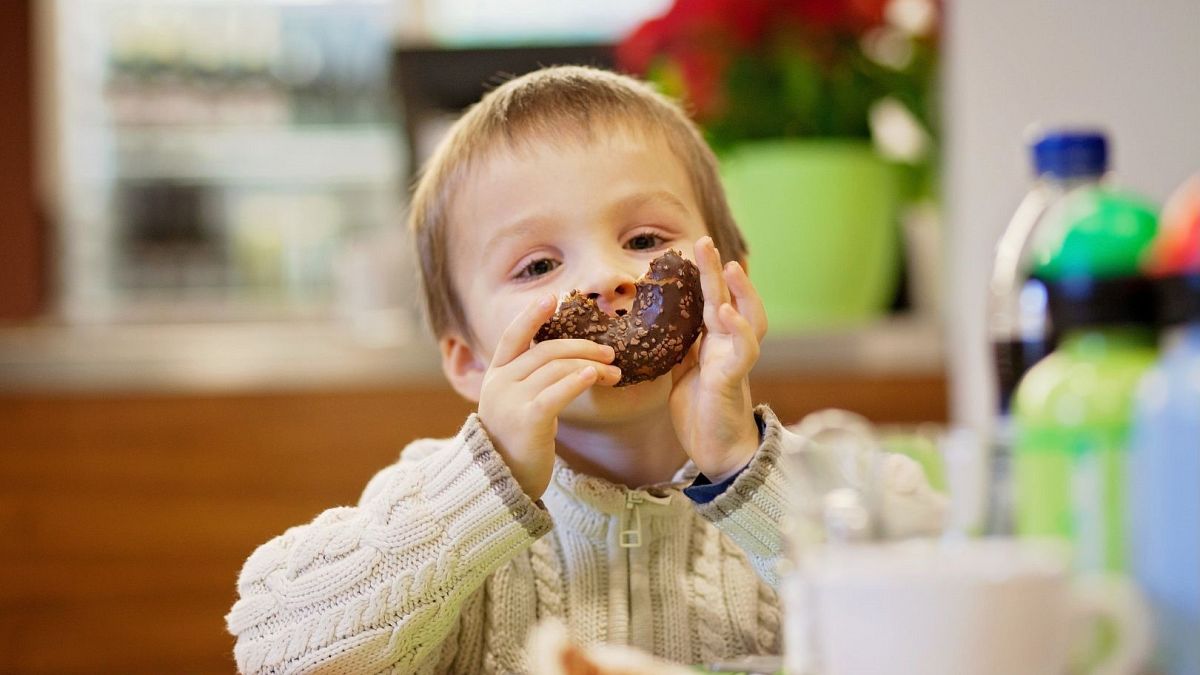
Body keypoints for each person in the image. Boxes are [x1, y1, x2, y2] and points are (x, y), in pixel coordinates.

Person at [226, 65, 945, 674]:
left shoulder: (831, 489)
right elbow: (270, 647)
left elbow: (955, 632)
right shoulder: (437, 505)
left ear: (727, 281)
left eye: (644, 237)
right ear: (470, 359)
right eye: (538, 264)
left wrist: (741, 465)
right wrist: (488, 482)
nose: (604, 277)